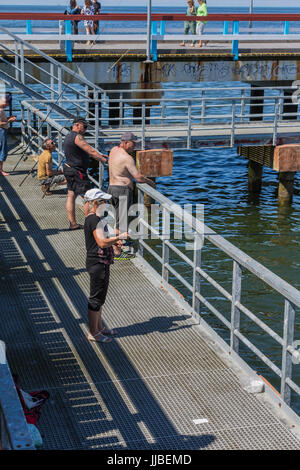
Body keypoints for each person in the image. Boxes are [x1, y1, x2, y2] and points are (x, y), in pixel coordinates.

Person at [84, 188, 129, 343]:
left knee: (101, 297)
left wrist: (114, 239)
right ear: (96, 203)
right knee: (95, 299)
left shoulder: (96, 219)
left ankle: (100, 327)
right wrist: (119, 236)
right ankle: (93, 332)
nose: (106, 204)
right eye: (103, 201)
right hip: (97, 263)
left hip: (101, 262)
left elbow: (104, 238)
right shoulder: (93, 220)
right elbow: (102, 242)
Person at [108, 132, 156, 250]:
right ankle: (119, 248)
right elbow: (138, 177)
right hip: (122, 191)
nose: (134, 146)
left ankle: (116, 244)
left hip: (111, 189)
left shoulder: (113, 150)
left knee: (118, 219)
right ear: (125, 142)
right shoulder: (127, 158)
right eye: (132, 144)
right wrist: (151, 183)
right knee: (123, 221)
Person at [63, 117, 108, 230]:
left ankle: (73, 223)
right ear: (77, 125)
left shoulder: (68, 136)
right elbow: (91, 151)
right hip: (77, 171)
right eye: (84, 126)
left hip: (69, 168)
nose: (85, 129)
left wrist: (100, 155)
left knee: (71, 195)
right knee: (88, 197)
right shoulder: (77, 137)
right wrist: (106, 161)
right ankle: (91, 224)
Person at [0, 93, 16, 176]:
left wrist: (8, 118)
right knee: (2, 149)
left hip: (3, 131)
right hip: (1, 131)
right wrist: (9, 121)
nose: (7, 106)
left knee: (2, 149)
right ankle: (1, 170)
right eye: (8, 104)